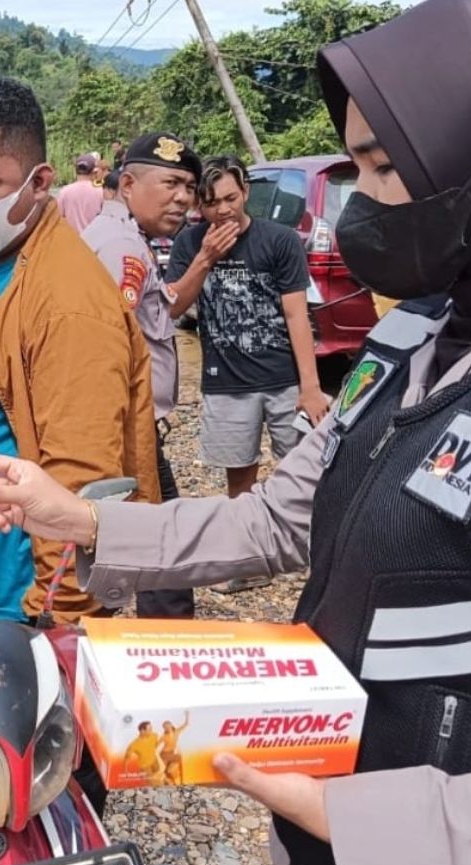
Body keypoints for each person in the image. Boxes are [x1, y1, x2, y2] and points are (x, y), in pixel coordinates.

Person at [0, 1, 471, 865]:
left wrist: (374, 823)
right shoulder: (417, 328)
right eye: (356, 169)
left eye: (387, 169)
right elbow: (280, 517)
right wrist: (84, 522)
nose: (362, 208)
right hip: (325, 818)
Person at [0, 74, 159, 627]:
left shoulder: (67, 301)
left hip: (22, 597)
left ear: (40, 183)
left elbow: (82, 485)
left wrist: (52, 623)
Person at [166, 154, 325, 593]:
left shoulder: (279, 241)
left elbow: (296, 315)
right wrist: (205, 257)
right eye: (211, 202)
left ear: (246, 193)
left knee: (305, 468)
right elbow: (174, 307)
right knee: (240, 477)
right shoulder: (189, 243)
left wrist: (310, 388)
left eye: (230, 198)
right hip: (227, 382)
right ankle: (247, 562)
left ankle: (318, 555)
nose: (222, 210)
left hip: (284, 379)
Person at [81, 131, 202, 620]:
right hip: (126, 430)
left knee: (135, 538)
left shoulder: (124, 238)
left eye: (189, 188)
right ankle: (166, 645)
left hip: (130, 426)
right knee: (158, 544)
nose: (183, 199)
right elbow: (107, 347)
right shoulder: (121, 249)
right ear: (128, 183)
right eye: (171, 183)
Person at [55, 152, 104, 233]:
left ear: (75, 171)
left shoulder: (64, 192)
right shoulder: (100, 191)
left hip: (72, 241)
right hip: (94, 241)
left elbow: (58, 218)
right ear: (94, 171)